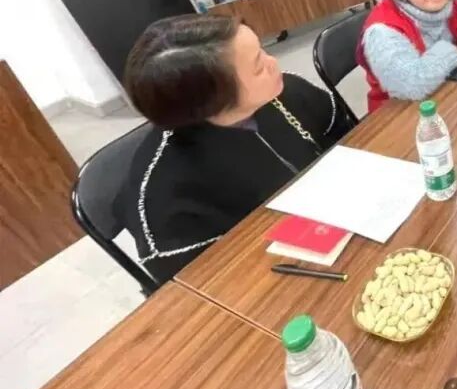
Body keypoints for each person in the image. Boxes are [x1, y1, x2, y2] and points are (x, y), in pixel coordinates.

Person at [120, 15, 351, 282]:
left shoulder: (287, 92)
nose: (274, 63)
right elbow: (201, 283)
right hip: (286, 275)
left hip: (343, 219)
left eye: (262, 50)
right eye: (258, 67)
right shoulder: (165, 196)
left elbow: (345, 135)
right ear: (212, 99)